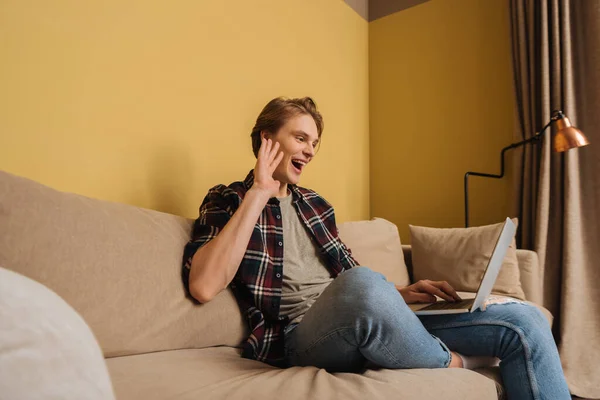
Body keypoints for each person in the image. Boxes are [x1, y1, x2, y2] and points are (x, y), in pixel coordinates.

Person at [182, 96, 571, 399]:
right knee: (364, 284)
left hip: (363, 313)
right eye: (300, 138)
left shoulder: (315, 205)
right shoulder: (230, 199)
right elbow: (203, 285)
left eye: (314, 142)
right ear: (267, 140)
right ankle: (450, 361)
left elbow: (352, 278)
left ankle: (421, 337)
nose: (311, 150)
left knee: (524, 321)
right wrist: (260, 192)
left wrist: (400, 294)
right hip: (302, 335)